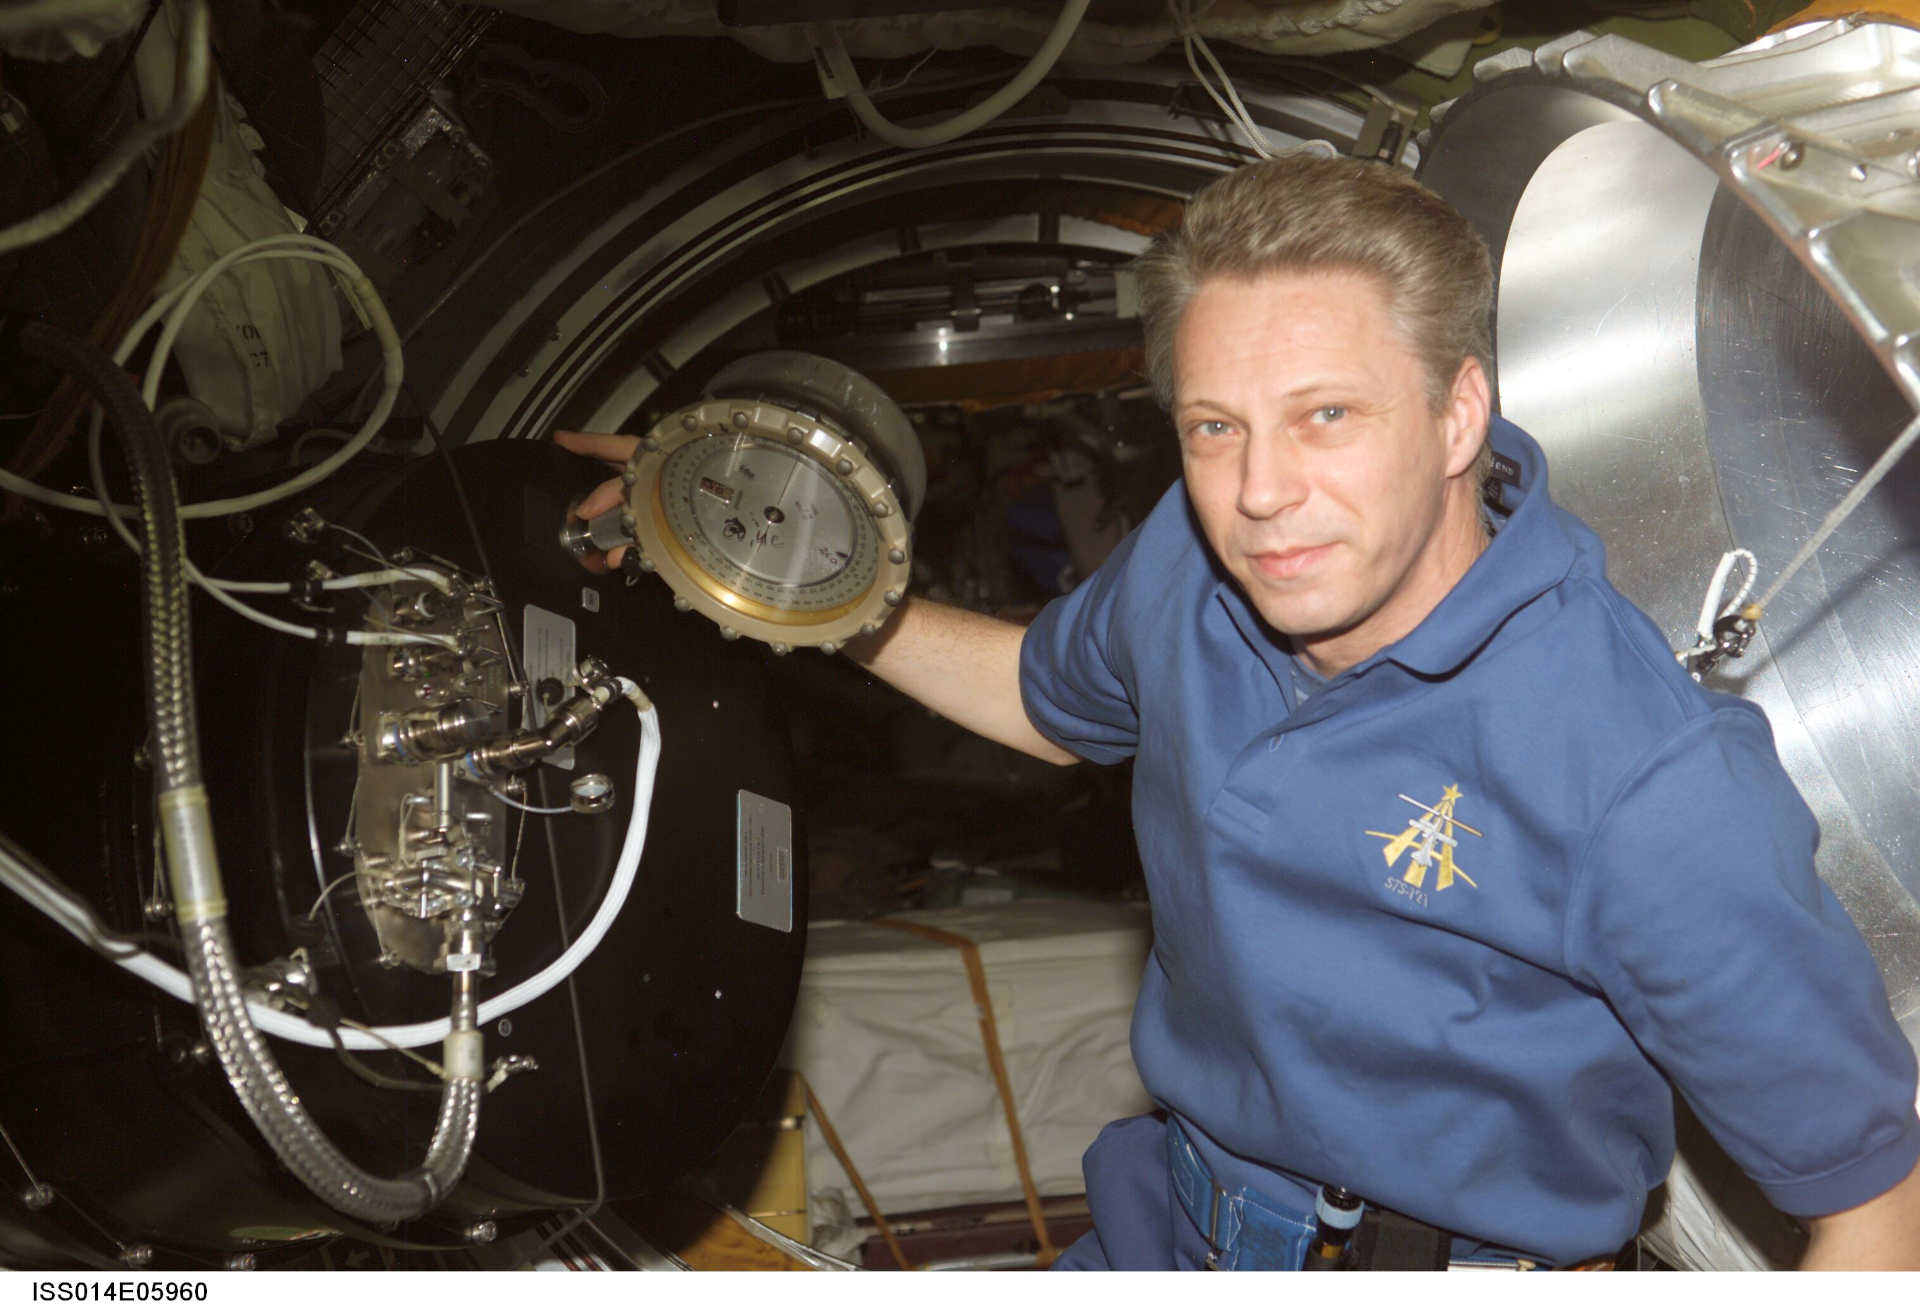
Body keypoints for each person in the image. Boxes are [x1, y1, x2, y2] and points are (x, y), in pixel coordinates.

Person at [556, 153, 1920, 1270]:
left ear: (1459, 415)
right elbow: (1049, 700)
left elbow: (1878, 1205)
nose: (1262, 492)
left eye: (1327, 415)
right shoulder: (1192, 569)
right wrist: (799, 568)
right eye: (1215, 427)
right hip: (1167, 1227)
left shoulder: (1645, 780)